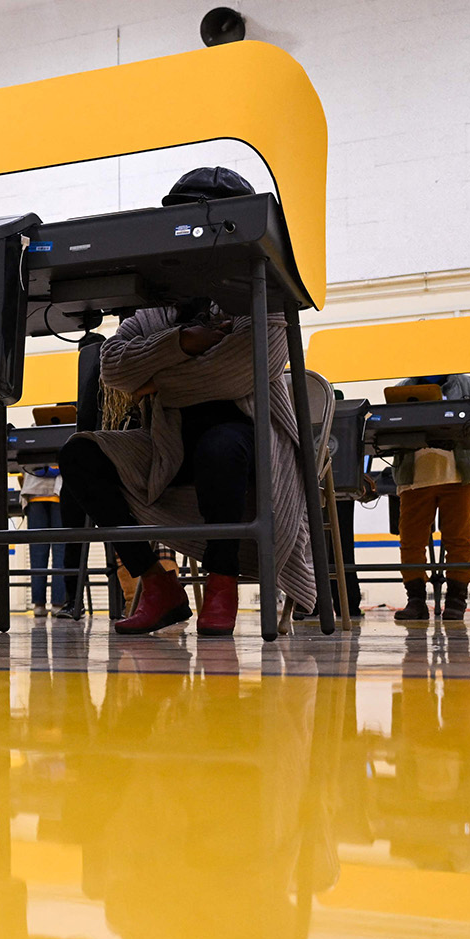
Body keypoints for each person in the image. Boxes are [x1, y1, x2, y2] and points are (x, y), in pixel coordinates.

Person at [57, 168, 316, 638]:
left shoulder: (264, 289)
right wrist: (182, 342)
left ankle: (223, 583)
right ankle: (157, 585)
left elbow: (245, 369)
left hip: (250, 445)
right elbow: (113, 368)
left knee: (221, 445)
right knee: (80, 452)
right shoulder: (160, 305)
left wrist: (155, 380)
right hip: (169, 447)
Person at [389, 373, 470, 624]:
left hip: (460, 473)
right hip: (415, 476)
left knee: (458, 539)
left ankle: (456, 602)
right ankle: (416, 602)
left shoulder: (469, 385)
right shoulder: (402, 388)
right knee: (411, 542)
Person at [21, 462, 79, 617]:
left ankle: (38, 604)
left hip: (34, 489)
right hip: (59, 491)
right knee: (61, 549)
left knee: (37, 551)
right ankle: (58, 604)